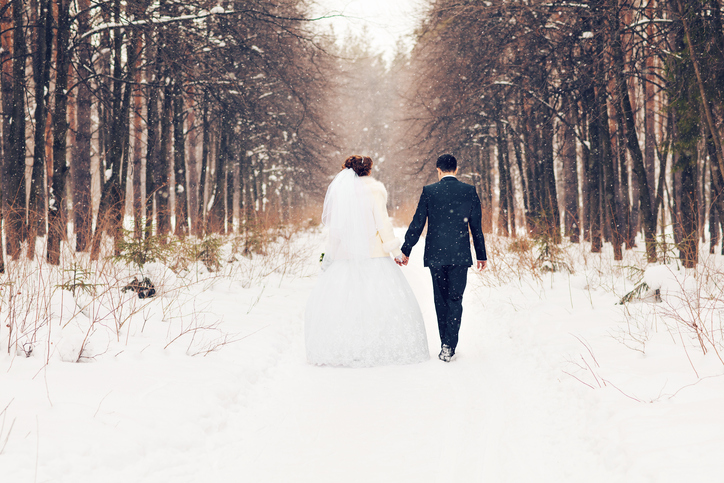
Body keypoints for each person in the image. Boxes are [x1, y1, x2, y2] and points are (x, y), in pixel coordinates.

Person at [305, 155, 429, 367]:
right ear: (368, 171)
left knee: (347, 304)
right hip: (374, 257)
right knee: (377, 302)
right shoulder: (374, 191)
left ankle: (347, 347)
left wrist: (329, 257)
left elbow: (335, 231)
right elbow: (382, 224)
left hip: (344, 257)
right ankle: (377, 346)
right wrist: (395, 250)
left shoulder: (340, 194)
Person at [397, 154, 487, 362]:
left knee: (441, 299)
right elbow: (476, 227)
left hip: (436, 255)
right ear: (456, 169)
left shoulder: (430, 191)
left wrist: (406, 249)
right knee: (456, 299)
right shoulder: (469, 191)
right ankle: (449, 345)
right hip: (460, 255)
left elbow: (417, 223)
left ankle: (445, 343)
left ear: (438, 170)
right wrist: (481, 254)